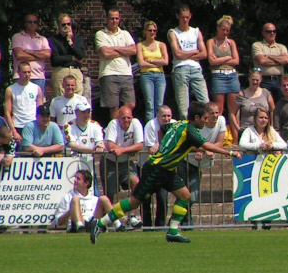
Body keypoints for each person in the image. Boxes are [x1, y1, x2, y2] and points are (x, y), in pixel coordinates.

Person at [90, 101, 242, 244]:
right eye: (205, 118)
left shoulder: (179, 124)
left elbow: (163, 129)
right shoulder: (190, 130)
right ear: (196, 118)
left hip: (166, 170)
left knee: (185, 196)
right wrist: (230, 154)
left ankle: (173, 232)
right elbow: (208, 146)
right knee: (134, 202)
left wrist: (164, 147)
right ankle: (101, 223)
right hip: (156, 169)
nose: (206, 122)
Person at [100, 106, 144, 232]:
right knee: (110, 193)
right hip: (110, 161)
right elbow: (110, 145)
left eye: (129, 118)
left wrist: (122, 150)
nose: (126, 121)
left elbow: (140, 145)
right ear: (118, 118)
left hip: (125, 162)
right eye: (123, 118)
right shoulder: (113, 124)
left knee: (136, 182)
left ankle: (134, 216)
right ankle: (110, 221)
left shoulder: (136, 124)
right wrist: (125, 150)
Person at [178, 102, 227, 205]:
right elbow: (188, 144)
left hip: (197, 164)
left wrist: (204, 149)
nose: (215, 115)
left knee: (193, 197)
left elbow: (220, 143)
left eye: (217, 112)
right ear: (206, 115)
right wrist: (203, 149)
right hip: (184, 160)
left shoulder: (221, 120)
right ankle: (184, 220)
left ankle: (184, 219)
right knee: (183, 196)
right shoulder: (198, 123)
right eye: (212, 113)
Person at [167, 4, 209, 120]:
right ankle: (186, 133)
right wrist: (195, 52)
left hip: (196, 69)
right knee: (183, 107)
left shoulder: (196, 31)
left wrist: (186, 54)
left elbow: (204, 53)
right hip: (180, 69)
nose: (185, 20)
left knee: (205, 102)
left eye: (187, 17)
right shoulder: (173, 32)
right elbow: (177, 54)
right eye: (182, 17)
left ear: (190, 16)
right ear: (178, 17)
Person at [95, 8, 136, 120]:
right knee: (113, 106)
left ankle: (123, 125)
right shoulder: (101, 34)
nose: (114, 21)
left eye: (117, 18)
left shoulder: (125, 34)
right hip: (109, 73)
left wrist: (116, 48)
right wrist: (124, 51)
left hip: (126, 73)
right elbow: (106, 53)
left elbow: (133, 50)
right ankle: (115, 132)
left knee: (131, 104)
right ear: (107, 19)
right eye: (112, 18)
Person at [140, 105, 175, 227]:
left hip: (163, 167)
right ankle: (147, 226)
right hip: (148, 167)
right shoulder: (151, 125)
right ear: (158, 116)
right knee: (146, 198)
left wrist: (159, 144)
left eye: (169, 116)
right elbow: (152, 150)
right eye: (164, 116)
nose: (166, 119)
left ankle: (160, 226)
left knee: (162, 198)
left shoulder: (175, 125)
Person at [207, 15, 240, 120]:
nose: (225, 32)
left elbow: (236, 61)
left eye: (227, 30)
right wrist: (228, 57)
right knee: (219, 109)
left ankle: (235, 135)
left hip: (232, 75)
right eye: (223, 30)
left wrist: (219, 59)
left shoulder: (231, 43)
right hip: (218, 75)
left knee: (233, 109)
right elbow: (212, 61)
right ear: (218, 28)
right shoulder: (211, 42)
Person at [228, 69, 275, 141]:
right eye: (253, 79)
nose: (255, 82)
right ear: (249, 79)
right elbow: (232, 113)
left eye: (257, 80)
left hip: (264, 131)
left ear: (261, 79)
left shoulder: (266, 93)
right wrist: (238, 128)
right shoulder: (241, 95)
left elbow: (272, 111)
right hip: (246, 130)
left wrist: (271, 127)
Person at [11, 13, 51, 94]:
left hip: (38, 77)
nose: (32, 24)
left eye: (35, 22)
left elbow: (47, 55)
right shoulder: (17, 37)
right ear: (25, 24)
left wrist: (29, 51)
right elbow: (19, 55)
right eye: (30, 22)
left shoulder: (42, 39)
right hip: (20, 76)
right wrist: (39, 56)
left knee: (38, 104)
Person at [136, 20, 169, 122]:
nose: (152, 33)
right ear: (145, 31)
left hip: (160, 75)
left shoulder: (161, 45)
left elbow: (166, 61)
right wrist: (157, 63)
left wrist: (151, 60)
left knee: (159, 104)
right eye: (150, 30)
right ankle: (150, 130)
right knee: (150, 105)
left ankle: (160, 129)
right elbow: (141, 63)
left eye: (154, 31)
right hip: (146, 75)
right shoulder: (140, 45)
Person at [4, 62, 43, 144]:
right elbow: (7, 113)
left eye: (29, 72)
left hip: (33, 125)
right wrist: (13, 131)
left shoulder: (36, 88)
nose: (27, 74)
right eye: (24, 72)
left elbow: (40, 111)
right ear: (19, 73)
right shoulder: (10, 89)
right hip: (18, 125)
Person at [48, 13, 86, 97]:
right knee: (61, 98)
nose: (66, 26)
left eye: (68, 24)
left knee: (78, 99)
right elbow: (55, 59)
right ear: (58, 25)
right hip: (60, 71)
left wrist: (70, 43)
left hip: (75, 71)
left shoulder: (77, 39)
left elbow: (81, 56)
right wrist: (72, 57)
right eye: (63, 24)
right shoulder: (53, 40)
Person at [251, 22, 288, 102]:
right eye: (269, 31)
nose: (272, 33)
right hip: (264, 80)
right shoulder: (257, 45)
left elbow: (286, 60)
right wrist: (279, 61)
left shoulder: (281, 47)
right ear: (263, 33)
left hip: (279, 80)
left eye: (274, 31)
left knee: (281, 103)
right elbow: (262, 61)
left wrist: (269, 57)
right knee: (264, 104)